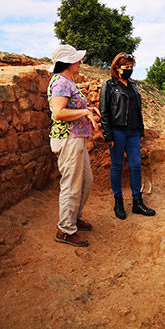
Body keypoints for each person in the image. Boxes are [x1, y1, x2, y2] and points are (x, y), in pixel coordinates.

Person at [47, 44, 101, 247]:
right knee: (71, 185)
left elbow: (70, 107)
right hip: (68, 139)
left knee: (86, 180)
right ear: (68, 63)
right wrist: (85, 113)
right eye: (77, 60)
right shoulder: (61, 83)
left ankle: (74, 218)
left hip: (76, 138)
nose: (80, 63)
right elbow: (58, 113)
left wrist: (88, 108)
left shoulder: (67, 82)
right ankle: (65, 230)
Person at [99, 53, 155, 219]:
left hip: (133, 133)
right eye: (126, 67)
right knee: (116, 166)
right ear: (117, 67)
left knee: (136, 165)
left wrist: (141, 131)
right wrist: (108, 135)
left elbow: (138, 110)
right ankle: (118, 202)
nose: (129, 70)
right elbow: (104, 112)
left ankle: (137, 202)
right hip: (117, 132)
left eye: (131, 67)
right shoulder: (108, 86)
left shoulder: (133, 86)